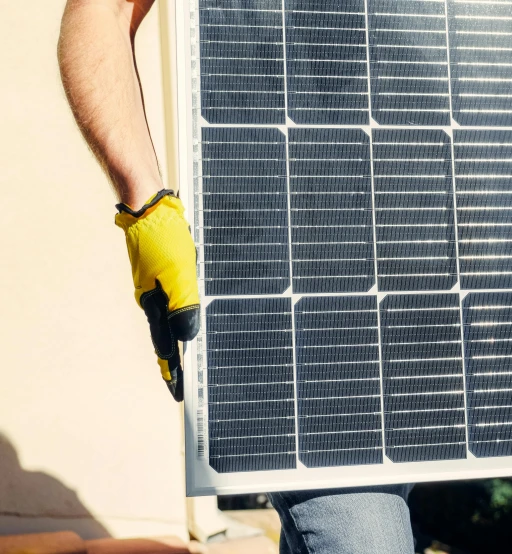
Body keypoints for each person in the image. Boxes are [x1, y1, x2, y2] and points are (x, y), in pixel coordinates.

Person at [56, 1, 415, 552]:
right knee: (367, 538)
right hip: (305, 313)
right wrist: (146, 206)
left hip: (431, 297)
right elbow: (101, 9)